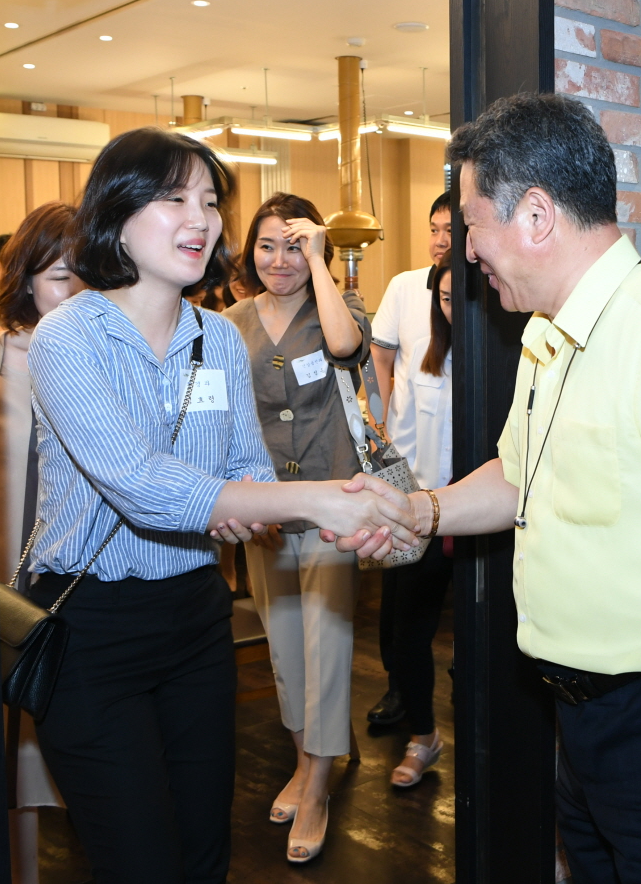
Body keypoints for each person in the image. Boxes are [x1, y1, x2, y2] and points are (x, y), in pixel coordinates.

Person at [340, 94, 641, 882]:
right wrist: (420, 510)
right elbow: (520, 475)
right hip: (584, 721)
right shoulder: (550, 334)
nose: (465, 249)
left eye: (472, 222)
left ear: (537, 215)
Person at [24, 127, 417, 884]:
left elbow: (241, 466)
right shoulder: (68, 336)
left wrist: (246, 505)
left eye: (208, 200)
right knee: (138, 858)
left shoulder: (217, 337)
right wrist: (316, 502)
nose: (199, 218)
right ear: (116, 210)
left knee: (206, 849)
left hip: (195, 619)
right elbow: (138, 481)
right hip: (93, 629)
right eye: (174, 198)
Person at [223, 193, 369, 864]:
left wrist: (320, 264)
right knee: (284, 648)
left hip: (334, 501)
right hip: (267, 513)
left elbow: (345, 346)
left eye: (294, 244)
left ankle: (317, 786)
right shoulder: (227, 323)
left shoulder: (336, 308)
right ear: (248, 251)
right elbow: (220, 416)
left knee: (327, 645)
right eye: (267, 245)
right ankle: (304, 762)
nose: (278, 260)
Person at [0, 202, 83, 883]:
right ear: (25, 279)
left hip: (78, 580)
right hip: (5, 580)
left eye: (88, 277)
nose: (74, 293)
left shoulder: (106, 356)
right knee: (8, 752)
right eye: (59, 277)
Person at [367, 193, 453, 731]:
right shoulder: (405, 285)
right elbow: (380, 354)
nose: (441, 239)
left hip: (458, 480)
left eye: (452, 230)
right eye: (434, 228)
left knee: (437, 608)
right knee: (396, 600)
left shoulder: (476, 288)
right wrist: (380, 416)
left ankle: (438, 703)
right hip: (403, 467)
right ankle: (401, 691)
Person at [383, 263, 455, 787]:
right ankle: (423, 734)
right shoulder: (424, 356)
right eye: (445, 298)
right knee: (411, 630)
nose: (452, 307)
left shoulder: (501, 350)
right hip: (422, 508)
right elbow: (401, 431)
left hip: (480, 515)